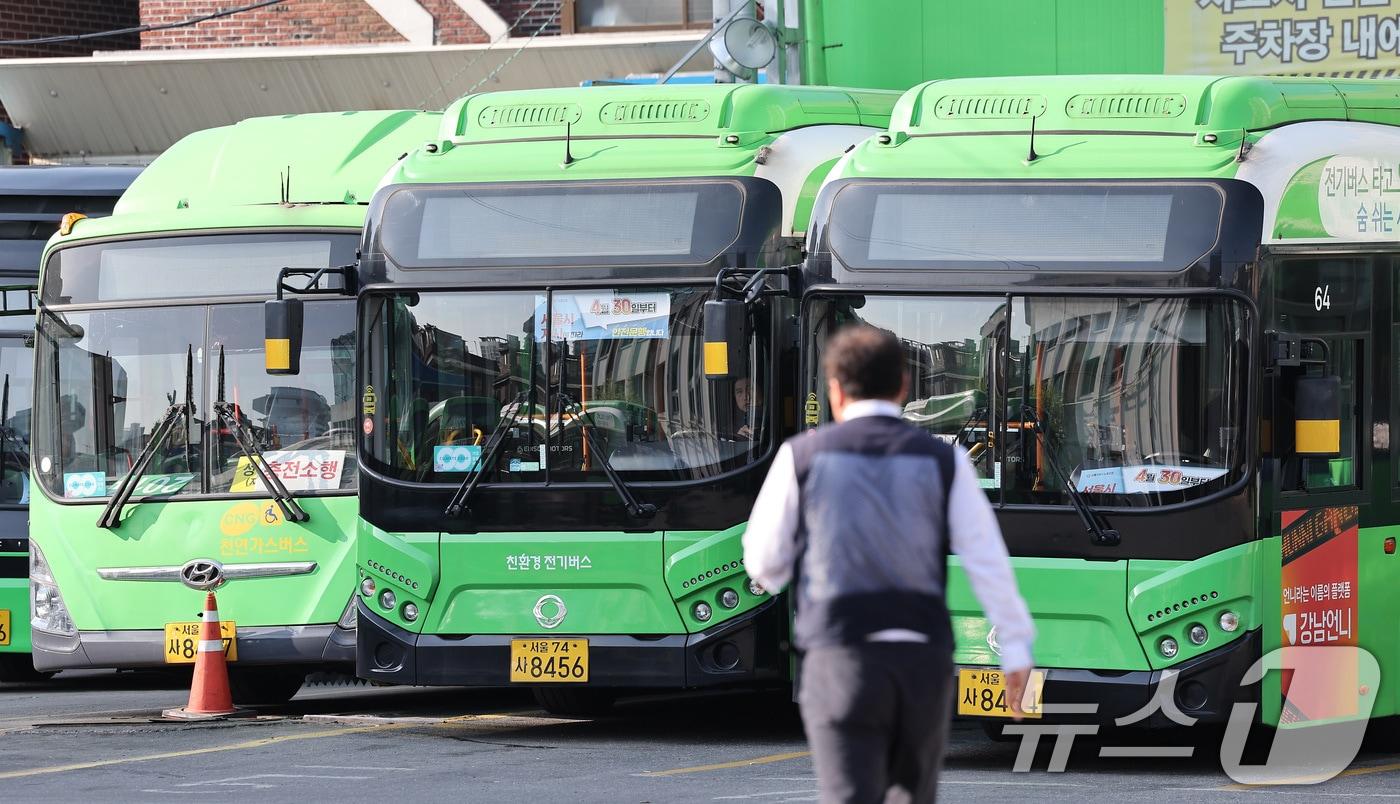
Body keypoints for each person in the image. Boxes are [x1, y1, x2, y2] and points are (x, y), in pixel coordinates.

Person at [743, 324, 1035, 804]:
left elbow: (764, 565)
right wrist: (1016, 647)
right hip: (920, 659)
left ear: (835, 390)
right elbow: (986, 559)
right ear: (903, 386)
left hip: (840, 657)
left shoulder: (802, 456)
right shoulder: (945, 461)